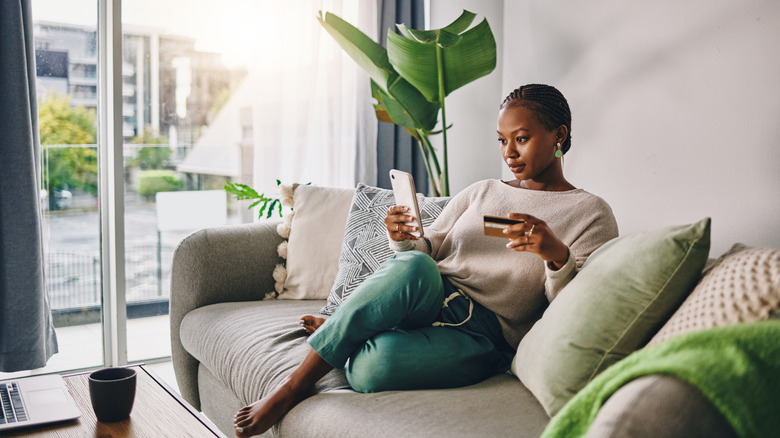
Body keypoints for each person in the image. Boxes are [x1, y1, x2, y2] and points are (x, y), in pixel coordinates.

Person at [233, 84, 619, 437]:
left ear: (559, 136)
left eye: (521, 139)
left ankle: (351, 325)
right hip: (430, 292)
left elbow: (573, 310)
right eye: (502, 141)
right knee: (416, 265)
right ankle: (293, 386)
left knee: (371, 371)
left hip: (484, 337)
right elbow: (428, 251)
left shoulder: (590, 213)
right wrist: (404, 238)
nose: (509, 153)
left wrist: (556, 256)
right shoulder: (483, 190)